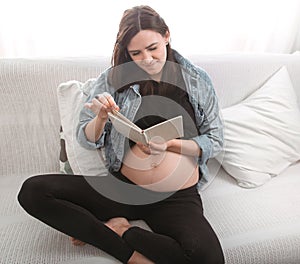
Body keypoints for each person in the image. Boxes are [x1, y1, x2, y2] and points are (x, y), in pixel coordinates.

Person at [18, 5, 224, 264]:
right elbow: (86, 138)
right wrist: (102, 117)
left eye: (153, 48)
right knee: (33, 191)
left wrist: (173, 145)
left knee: (209, 259)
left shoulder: (195, 79)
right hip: (124, 188)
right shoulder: (112, 80)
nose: (146, 59)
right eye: (135, 53)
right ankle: (128, 255)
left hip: (176, 197)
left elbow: (215, 141)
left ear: (167, 36)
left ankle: (121, 230)